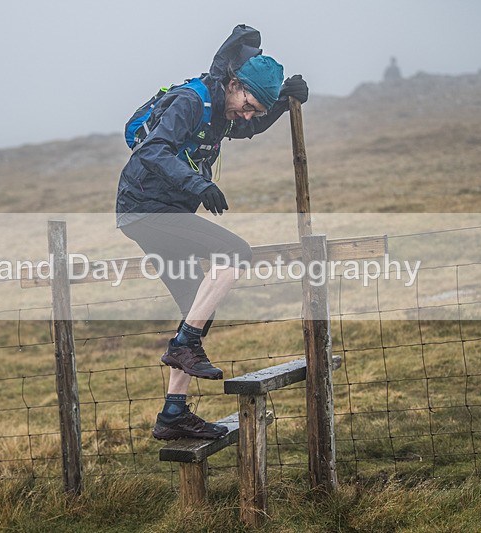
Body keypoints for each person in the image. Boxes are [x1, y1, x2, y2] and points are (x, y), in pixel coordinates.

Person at [115, 25, 308, 440]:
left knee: (197, 306)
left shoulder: (224, 111)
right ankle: (184, 345)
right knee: (235, 253)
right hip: (147, 208)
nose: (248, 114)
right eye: (249, 103)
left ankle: (173, 413)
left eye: (256, 109)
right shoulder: (191, 101)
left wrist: (282, 103)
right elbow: (150, 150)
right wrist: (197, 184)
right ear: (234, 85)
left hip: (159, 210)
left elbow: (248, 128)